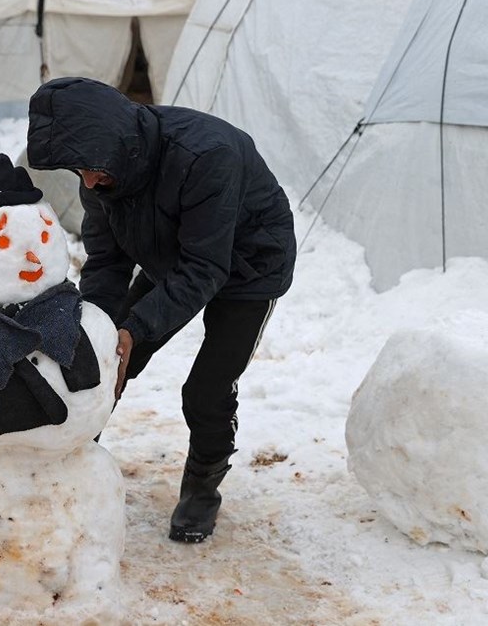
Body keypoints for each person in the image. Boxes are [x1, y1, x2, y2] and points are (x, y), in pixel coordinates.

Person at [26, 77, 297, 543]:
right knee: (104, 357)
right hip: (172, 253)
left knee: (206, 390)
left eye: (91, 169)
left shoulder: (206, 156)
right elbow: (108, 261)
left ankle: (202, 487)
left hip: (249, 265)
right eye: (80, 172)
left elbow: (205, 266)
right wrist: (101, 329)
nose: (88, 182)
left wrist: (137, 327)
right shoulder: (101, 169)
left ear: (117, 144)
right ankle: (71, 460)